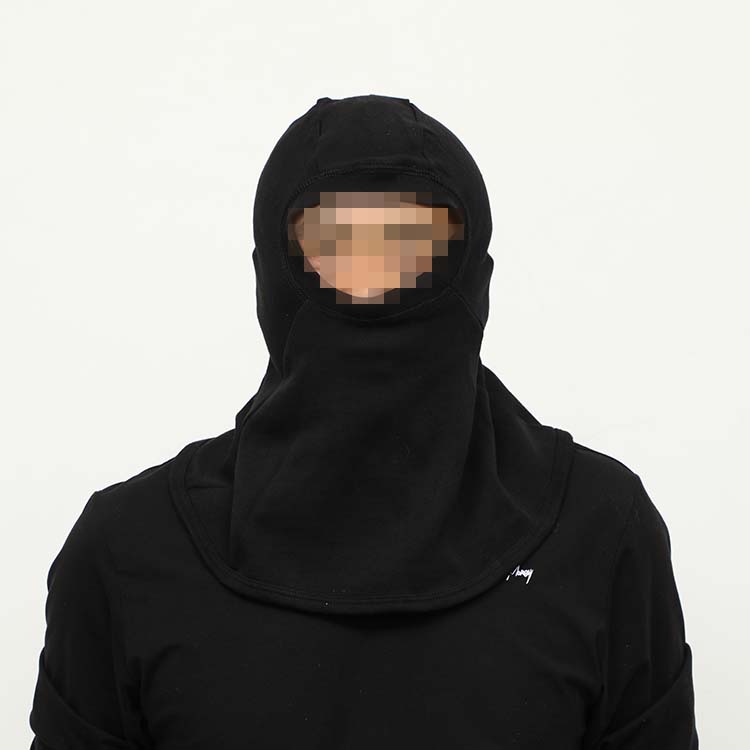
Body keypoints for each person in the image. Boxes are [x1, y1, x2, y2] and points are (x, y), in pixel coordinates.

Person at [28, 94, 698, 749]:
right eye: (337, 246)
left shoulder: (600, 531)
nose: (375, 282)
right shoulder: (128, 551)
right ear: (271, 274)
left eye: (411, 245)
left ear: (475, 273)